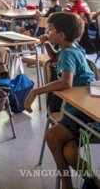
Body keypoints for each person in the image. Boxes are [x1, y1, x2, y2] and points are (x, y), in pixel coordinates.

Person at [24, 12, 99, 189]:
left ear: (62, 35)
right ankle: (93, 182)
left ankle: (67, 184)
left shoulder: (68, 54)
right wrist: (49, 44)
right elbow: (56, 59)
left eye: (50, 29)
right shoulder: (73, 47)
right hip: (82, 104)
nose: (47, 31)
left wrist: (36, 91)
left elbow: (66, 82)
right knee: (69, 151)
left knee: (52, 135)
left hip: (81, 110)